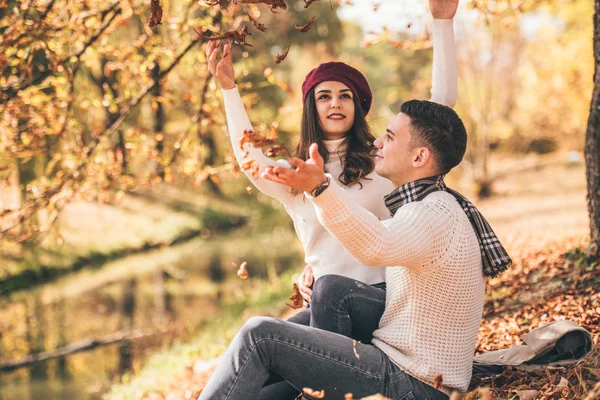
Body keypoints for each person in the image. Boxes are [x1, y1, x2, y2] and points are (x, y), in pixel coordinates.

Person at [199, 90, 512, 399]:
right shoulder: (434, 205)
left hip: (412, 384)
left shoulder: (432, 213)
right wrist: (315, 264)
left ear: (419, 157)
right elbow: (372, 235)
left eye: (389, 137)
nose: (377, 142)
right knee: (331, 290)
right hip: (408, 371)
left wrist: (321, 188)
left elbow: (376, 244)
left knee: (259, 335)